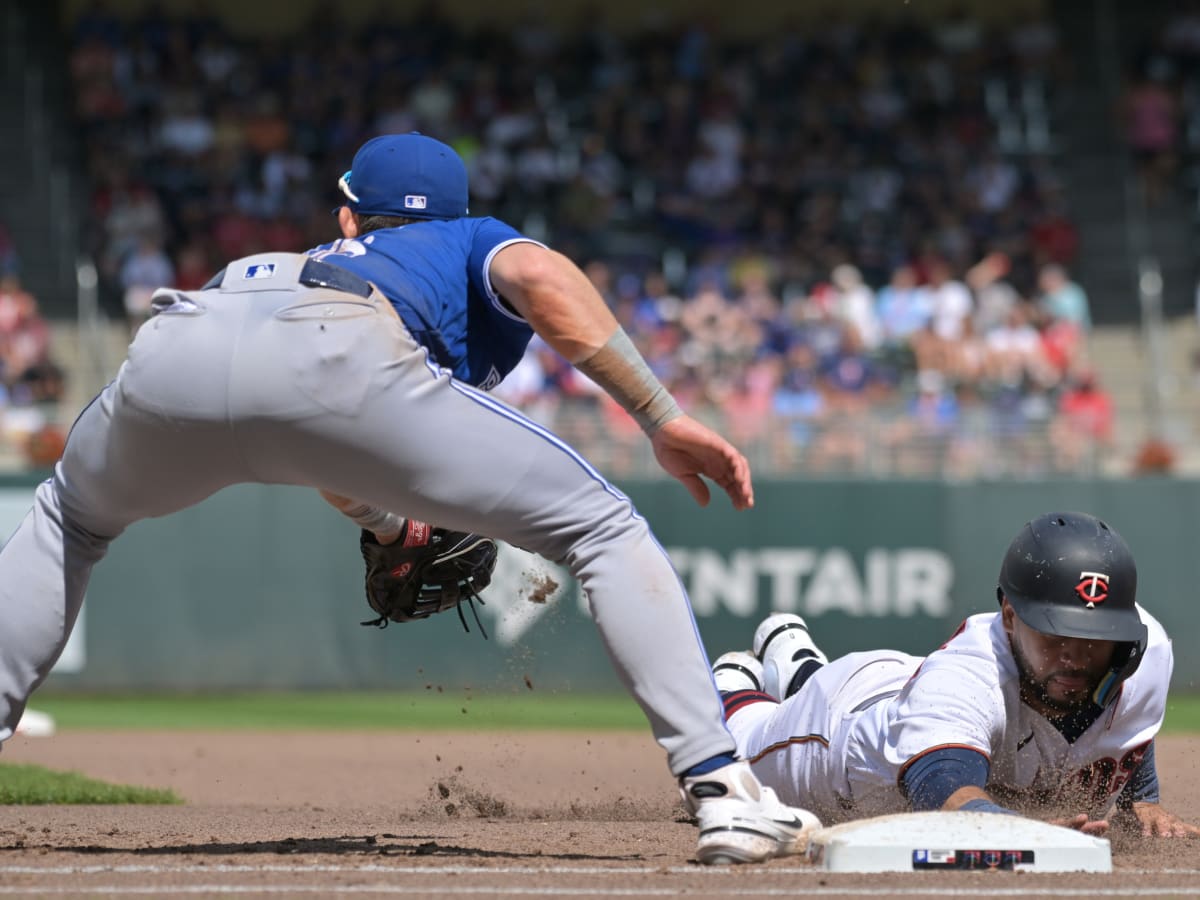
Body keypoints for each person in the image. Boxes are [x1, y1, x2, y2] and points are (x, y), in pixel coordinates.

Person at [0, 133, 818, 865]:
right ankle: (721, 790)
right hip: (340, 341)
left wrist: (393, 527)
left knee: (70, 517)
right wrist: (660, 415)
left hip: (185, 330)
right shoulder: (466, 238)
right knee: (603, 528)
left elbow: (301, 433)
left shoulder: (325, 249)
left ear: (350, 218)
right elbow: (533, 274)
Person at [710, 511, 1197, 838]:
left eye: (1095, 638)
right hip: (832, 734)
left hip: (905, 686)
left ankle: (795, 660)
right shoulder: (967, 679)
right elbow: (945, 788)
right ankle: (741, 681)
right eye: (1056, 634)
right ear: (1009, 616)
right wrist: (1027, 837)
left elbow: (1131, 722)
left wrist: (1142, 799)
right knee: (722, 771)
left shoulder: (1141, 654)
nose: (1075, 656)